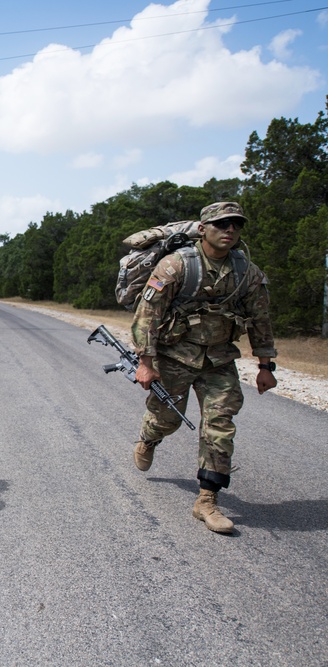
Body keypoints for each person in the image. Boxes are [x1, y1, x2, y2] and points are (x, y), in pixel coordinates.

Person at [131, 201, 277, 534]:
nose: (230, 230)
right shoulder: (176, 266)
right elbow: (147, 317)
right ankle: (148, 439)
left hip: (219, 361)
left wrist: (266, 365)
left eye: (236, 225)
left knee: (219, 426)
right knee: (165, 418)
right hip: (174, 358)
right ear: (203, 229)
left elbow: (261, 320)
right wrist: (146, 362)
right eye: (222, 224)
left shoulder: (247, 272)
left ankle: (207, 500)